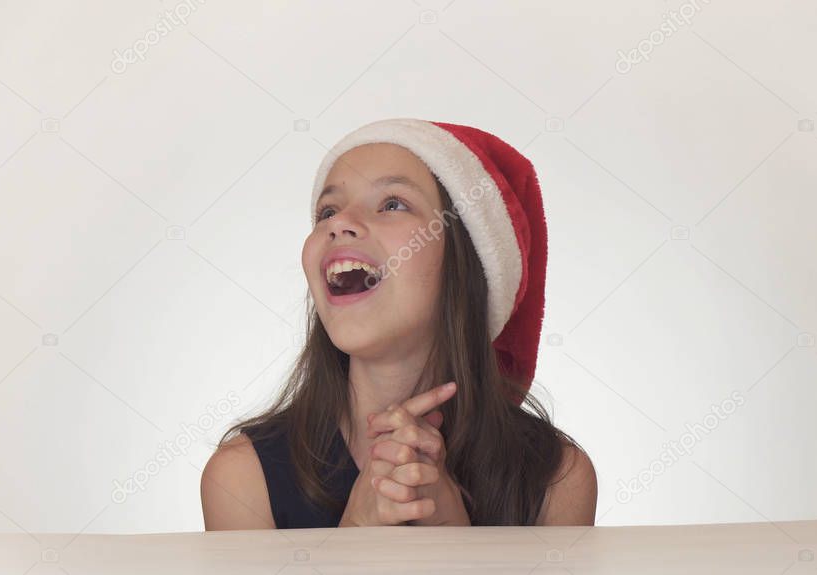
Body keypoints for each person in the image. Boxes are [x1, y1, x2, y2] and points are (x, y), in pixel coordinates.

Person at [201, 118, 597, 529]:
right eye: (327, 211)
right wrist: (352, 538)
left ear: (467, 261)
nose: (339, 222)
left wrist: (455, 545)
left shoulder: (557, 479)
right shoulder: (241, 479)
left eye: (392, 204)